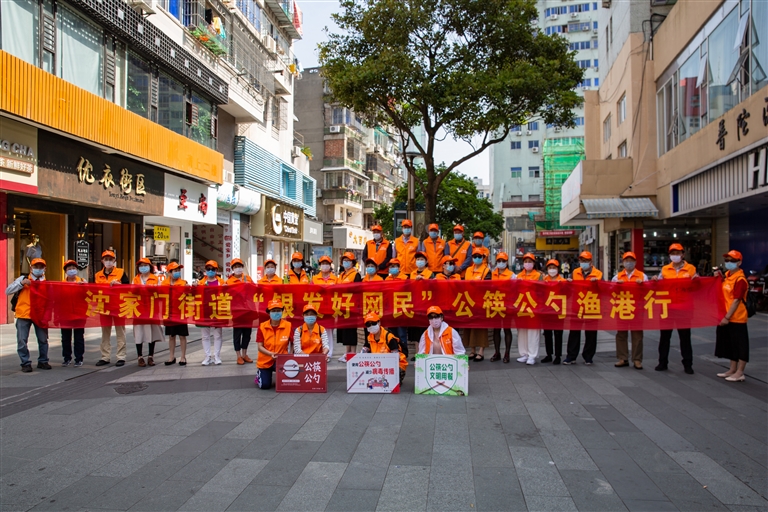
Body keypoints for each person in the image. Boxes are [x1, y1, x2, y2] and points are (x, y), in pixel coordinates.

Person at [653, 243, 698, 374]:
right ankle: (662, 362)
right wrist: (655, 280)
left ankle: (688, 364)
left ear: (683, 255)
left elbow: (696, 288)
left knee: (685, 338)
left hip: (684, 308)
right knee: (664, 337)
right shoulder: (665, 269)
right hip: (667, 308)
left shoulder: (691, 269)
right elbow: (658, 285)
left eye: (677, 253)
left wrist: (697, 281)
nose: (675, 256)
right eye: (673, 253)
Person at [5, 258, 50, 372]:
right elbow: (8, 291)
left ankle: (43, 361)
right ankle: (25, 363)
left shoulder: (47, 283)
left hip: (40, 315)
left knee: (43, 339)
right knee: (22, 340)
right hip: (24, 314)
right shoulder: (23, 279)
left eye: (41, 267)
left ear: (45, 269)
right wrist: (21, 283)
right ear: (31, 268)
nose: (38, 269)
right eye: (36, 267)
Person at [714, 250, 750, 382]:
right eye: (727, 260)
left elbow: (736, 300)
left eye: (732, 261)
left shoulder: (740, 280)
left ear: (739, 263)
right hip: (726, 316)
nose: (729, 263)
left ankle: (740, 372)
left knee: (740, 345)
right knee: (731, 344)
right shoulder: (727, 276)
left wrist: (727, 317)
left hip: (737, 318)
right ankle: (732, 369)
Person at [564, 251, 602, 365]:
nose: (583, 263)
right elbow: (569, 289)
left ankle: (588, 356)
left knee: (591, 333)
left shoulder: (598, 274)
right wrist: (568, 283)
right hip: (577, 305)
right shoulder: (575, 272)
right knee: (574, 331)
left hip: (591, 305)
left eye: (586, 261)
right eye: (582, 260)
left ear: (591, 262)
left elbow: (603, 289)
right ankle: (571, 356)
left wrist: (597, 283)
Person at [612, 252, 647, 370]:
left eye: (631, 260)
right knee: (621, 334)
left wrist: (642, 285)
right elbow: (610, 291)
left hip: (637, 309)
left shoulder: (642, 276)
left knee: (637, 335)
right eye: (627, 260)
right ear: (623, 262)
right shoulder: (617, 277)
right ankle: (623, 358)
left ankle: (637, 359)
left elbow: (649, 291)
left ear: (635, 262)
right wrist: (616, 286)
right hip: (622, 308)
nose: (629, 263)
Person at [95, 250, 129, 367]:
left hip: (118, 306)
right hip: (104, 307)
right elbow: (94, 290)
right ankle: (105, 357)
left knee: (120, 332)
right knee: (105, 333)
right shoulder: (97, 275)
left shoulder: (121, 272)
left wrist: (120, 286)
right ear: (102, 261)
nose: (108, 261)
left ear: (114, 261)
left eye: (110, 259)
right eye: (106, 259)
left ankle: (121, 356)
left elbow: (128, 288)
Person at [132, 258, 163, 367]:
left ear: (150, 267)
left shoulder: (155, 279)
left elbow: (160, 293)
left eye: (145, 265)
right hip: (138, 310)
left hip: (152, 309)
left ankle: (150, 356)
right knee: (139, 332)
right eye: (141, 266)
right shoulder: (135, 279)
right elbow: (131, 293)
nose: (143, 268)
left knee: (151, 332)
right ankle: (140, 356)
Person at [255, 299, 293, 389]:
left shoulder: (288, 325)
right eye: (273, 311)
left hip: (282, 360)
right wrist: (270, 354)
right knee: (265, 385)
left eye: (278, 310)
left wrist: (290, 355)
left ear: (282, 312)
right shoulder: (262, 326)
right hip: (265, 360)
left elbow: (293, 342)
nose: (276, 313)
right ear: (269, 313)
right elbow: (260, 346)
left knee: (285, 384)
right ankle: (259, 375)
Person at [362, 312, 407, 385]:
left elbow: (395, 358)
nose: (371, 326)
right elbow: (363, 353)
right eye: (368, 324)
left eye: (373, 323)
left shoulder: (389, 337)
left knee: (392, 383)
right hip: (378, 365)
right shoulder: (369, 338)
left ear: (379, 322)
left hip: (395, 364)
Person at [516, 253, 543, 365]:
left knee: (533, 332)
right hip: (522, 307)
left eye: (530, 261)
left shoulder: (538, 275)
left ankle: (532, 355)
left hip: (534, 307)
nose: (527, 264)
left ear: (534, 263)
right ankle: (524, 354)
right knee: (522, 331)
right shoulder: (518, 276)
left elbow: (542, 291)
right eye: (526, 261)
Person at [464, 248, 491, 361]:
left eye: (479, 256)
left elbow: (488, 286)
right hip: (469, 300)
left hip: (481, 301)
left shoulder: (486, 270)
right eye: (475, 256)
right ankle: (472, 350)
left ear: (483, 258)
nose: (477, 258)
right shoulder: (468, 270)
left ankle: (481, 351)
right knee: (469, 326)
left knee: (481, 326)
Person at [227, 258, 254, 365]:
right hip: (237, 311)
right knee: (237, 334)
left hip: (248, 310)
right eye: (236, 267)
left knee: (247, 334)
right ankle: (238, 356)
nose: (238, 268)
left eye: (239, 266)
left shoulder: (248, 278)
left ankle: (244, 354)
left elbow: (255, 290)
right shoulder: (229, 281)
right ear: (232, 269)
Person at [490, 252, 515, 363]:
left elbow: (515, 289)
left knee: (507, 329)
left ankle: (507, 353)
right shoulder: (493, 274)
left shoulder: (512, 275)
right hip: (495, 304)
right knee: (496, 329)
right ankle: (497, 352)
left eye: (503, 261)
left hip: (507, 305)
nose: (501, 263)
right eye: (499, 261)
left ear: (506, 262)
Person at [337, 251, 362, 361]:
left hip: (351, 306)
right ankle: (347, 353)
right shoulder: (341, 275)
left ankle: (353, 353)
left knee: (351, 330)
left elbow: (357, 290)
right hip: (342, 306)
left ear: (353, 263)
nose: (346, 262)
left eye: (348, 261)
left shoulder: (356, 275)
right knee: (345, 331)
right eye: (344, 260)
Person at [162, 261, 188, 366]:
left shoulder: (183, 283)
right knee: (171, 336)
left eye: (178, 270)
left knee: (182, 336)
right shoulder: (163, 284)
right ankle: (171, 357)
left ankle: (183, 357)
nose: (177, 272)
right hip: (168, 313)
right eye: (175, 270)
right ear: (169, 272)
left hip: (181, 313)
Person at [61, 260, 86, 367]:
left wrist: (84, 287)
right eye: (69, 269)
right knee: (65, 338)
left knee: (78, 337)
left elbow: (89, 296)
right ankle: (67, 358)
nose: (72, 270)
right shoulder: (61, 284)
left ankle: (79, 358)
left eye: (73, 268)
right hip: (65, 315)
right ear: (65, 271)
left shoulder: (82, 282)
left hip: (79, 314)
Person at [199, 260, 224, 365]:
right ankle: (207, 357)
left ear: (216, 270)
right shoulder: (200, 283)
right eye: (208, 269)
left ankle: (217, 356)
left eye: (212, 269)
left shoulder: (222, 282)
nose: (210, 271)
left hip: (217, 311)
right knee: (205, 335)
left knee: (217, 335)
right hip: (204, 311)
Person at [542, 259, 566, 364]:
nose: (552, 270)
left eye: (554, 268)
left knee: (558, 334)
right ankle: (549, 354)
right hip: (547, 310)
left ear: (558, 269)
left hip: (558, 311)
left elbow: (568, 294)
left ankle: (558, 356)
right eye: (550, 268)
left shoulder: (563, 281)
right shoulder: (544, 280)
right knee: (547, 334)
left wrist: (564, 286)